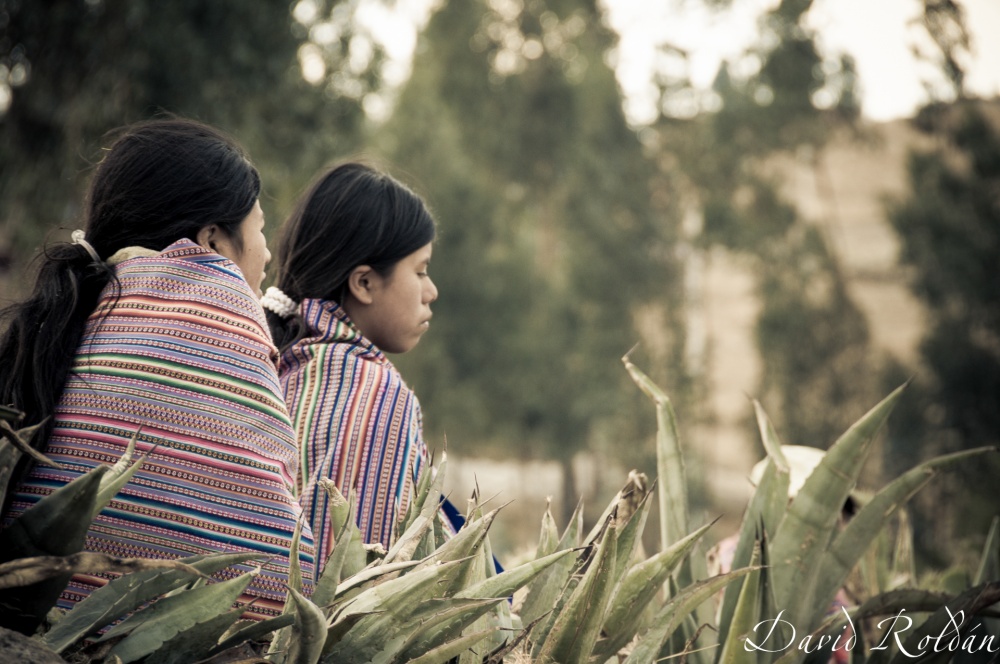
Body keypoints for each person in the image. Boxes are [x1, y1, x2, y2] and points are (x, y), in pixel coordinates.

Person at [0, 118, 314, 619]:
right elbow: (274, 573)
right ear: (211, 242)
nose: (268, 254)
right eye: (258, 230)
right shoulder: (220, 300)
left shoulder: (69, 312)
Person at [262, 162, 439, 570]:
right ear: (363, 283)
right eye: (421, 271)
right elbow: (358, 584)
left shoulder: (272, 362)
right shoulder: (377, 395)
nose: (431, 291)